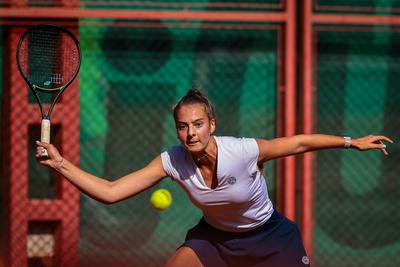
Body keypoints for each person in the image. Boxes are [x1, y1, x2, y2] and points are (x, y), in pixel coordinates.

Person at [35, 89, 393, 267]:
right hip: (215, 240)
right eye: (182, 126)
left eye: (197, 124)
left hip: (271, 237)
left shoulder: (243, 151)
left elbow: (299, 142)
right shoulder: (173, 161)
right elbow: (112, 192)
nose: (190, 133)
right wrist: (60, 163)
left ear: (212, 125)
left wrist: (352, 142)